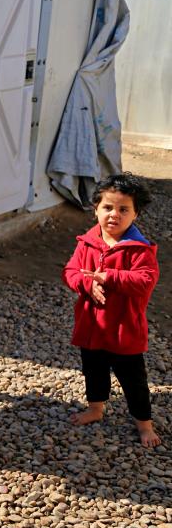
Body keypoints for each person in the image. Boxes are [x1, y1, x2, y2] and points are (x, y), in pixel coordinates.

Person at [63, 173, 160, 447]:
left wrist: (109, 277)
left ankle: (144, 424)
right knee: (93, 371)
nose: (114, 215)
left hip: (123, 331)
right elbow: (70, 272)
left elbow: (145, 280)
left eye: (123, 209)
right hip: (92, 328)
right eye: (107, 207)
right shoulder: (88, 242)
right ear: (95, 209)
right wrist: (85, 284)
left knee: (133, 381)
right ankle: (95, 408)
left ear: (135, 214)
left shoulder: (139, 250)